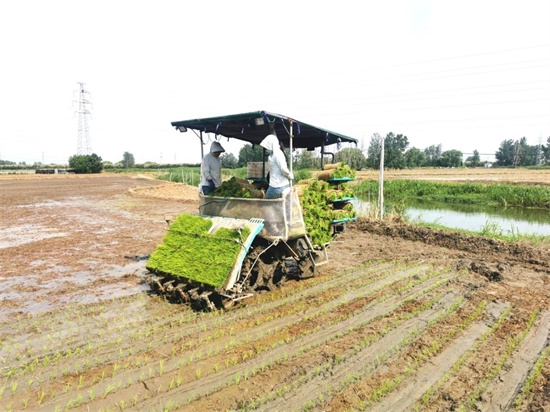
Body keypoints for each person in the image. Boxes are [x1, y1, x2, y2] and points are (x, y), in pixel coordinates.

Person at [259, 133, 294, 199]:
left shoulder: (278, 154)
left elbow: (284, 169)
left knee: (265, 205)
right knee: (278, 206)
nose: (266, 149)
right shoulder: (271, 156)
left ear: (271, 145)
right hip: (281, 185)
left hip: (276, 187)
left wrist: (289, 175)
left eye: (267, 147)